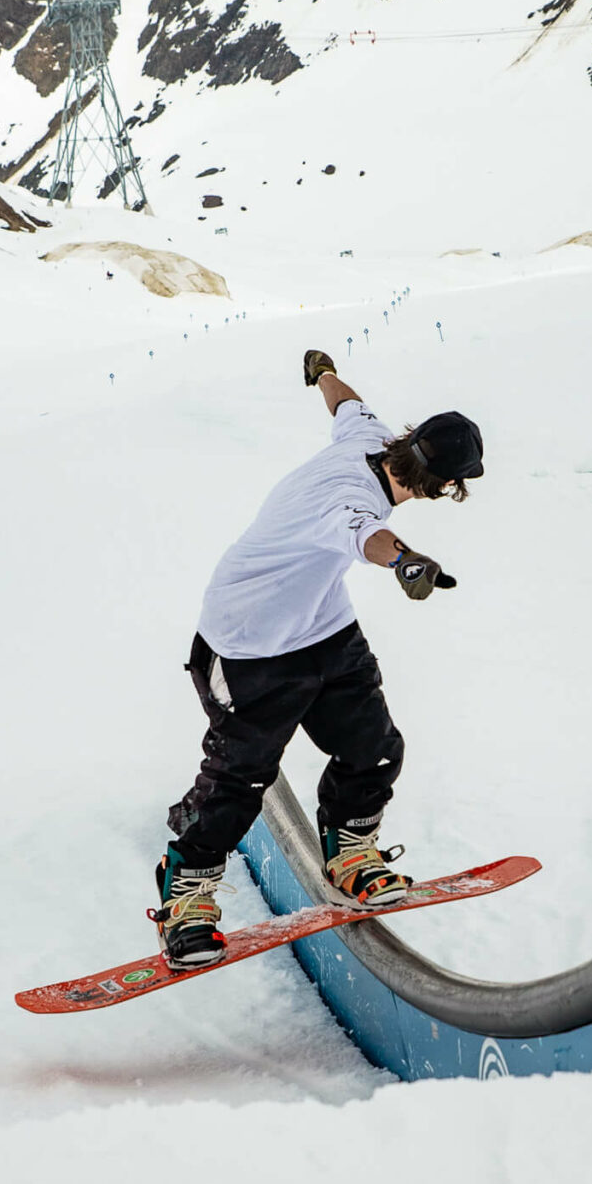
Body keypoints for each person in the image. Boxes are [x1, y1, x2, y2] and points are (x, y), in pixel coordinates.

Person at [157, 351, 485, 969]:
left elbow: (345, 402)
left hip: (322, 625)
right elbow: (366, 535)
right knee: (241, 775)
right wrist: (405, 561)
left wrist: (322, 372)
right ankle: (186, 897)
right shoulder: (350, 498)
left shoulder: (372, 438)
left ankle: (351, 852)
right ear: (443, 484)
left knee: (375, 746)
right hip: (249, 640)